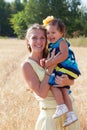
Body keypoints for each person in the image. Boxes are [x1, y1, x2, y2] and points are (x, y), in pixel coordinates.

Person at [21, 23, 80, 130]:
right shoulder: (27, 65)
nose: (39, 41)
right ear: (27, 41)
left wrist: (66, 81)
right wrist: (50, 69)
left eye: (42, 38)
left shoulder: (53, 54)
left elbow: (71, 82)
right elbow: (42, 93)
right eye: (34, 38)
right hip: (50, 117)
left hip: (70, 114)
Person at [42, 16, 81, 127]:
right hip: (67, 69)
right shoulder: (51, 45)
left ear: (61, 33)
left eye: (53, 32)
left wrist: (50, 62)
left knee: (53, 83)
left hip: (68, 67)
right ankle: (71, 114)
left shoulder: (62, 42)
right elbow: (51, 57)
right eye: (48, 33)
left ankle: (61, 106)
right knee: (64, 91)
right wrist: (46, 60)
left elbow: (64, 55)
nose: (50, 35)